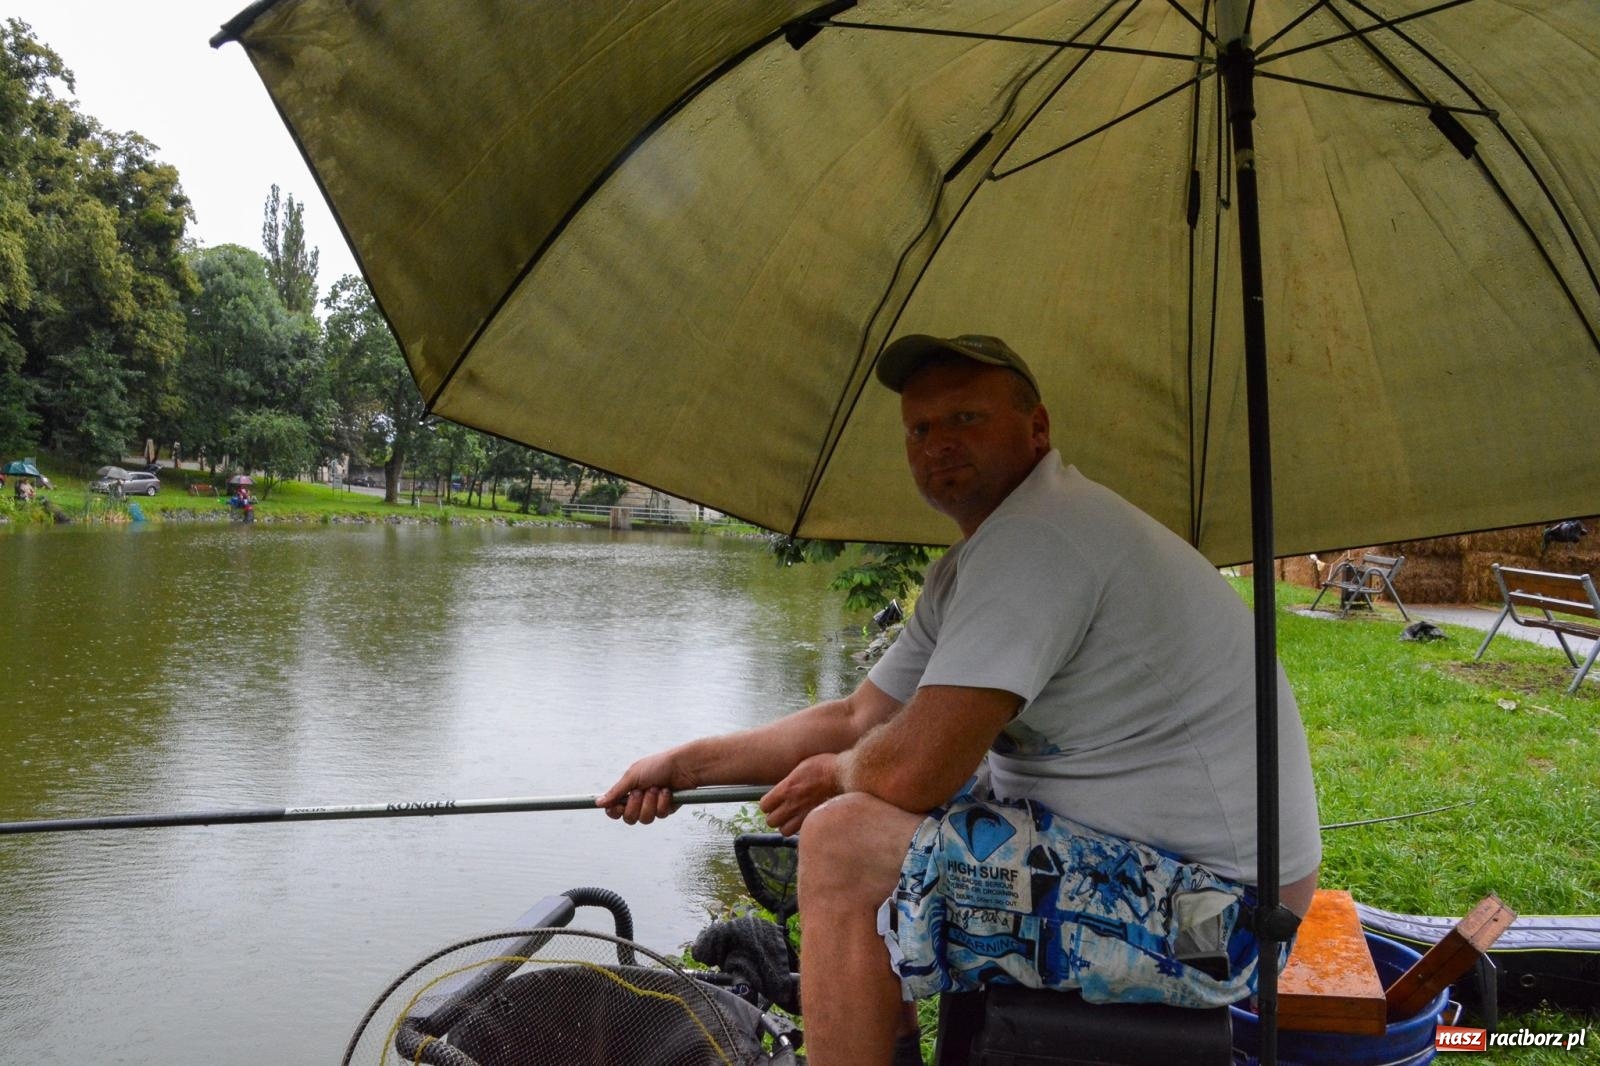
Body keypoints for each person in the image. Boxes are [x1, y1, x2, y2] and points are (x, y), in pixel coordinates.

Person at [598, 334, 1321, 1066]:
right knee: (897, 808)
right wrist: (684, 765)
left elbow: (913, 767)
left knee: (843, 840)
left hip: (1219, 926)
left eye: (966, 419)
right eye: (921, 428)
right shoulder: (990, 555)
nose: (939, 443)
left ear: (1036, 429)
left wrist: (842, 775)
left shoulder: (1042, 542)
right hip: (1181, 883)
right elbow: (856, 718)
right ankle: (890, 1043)